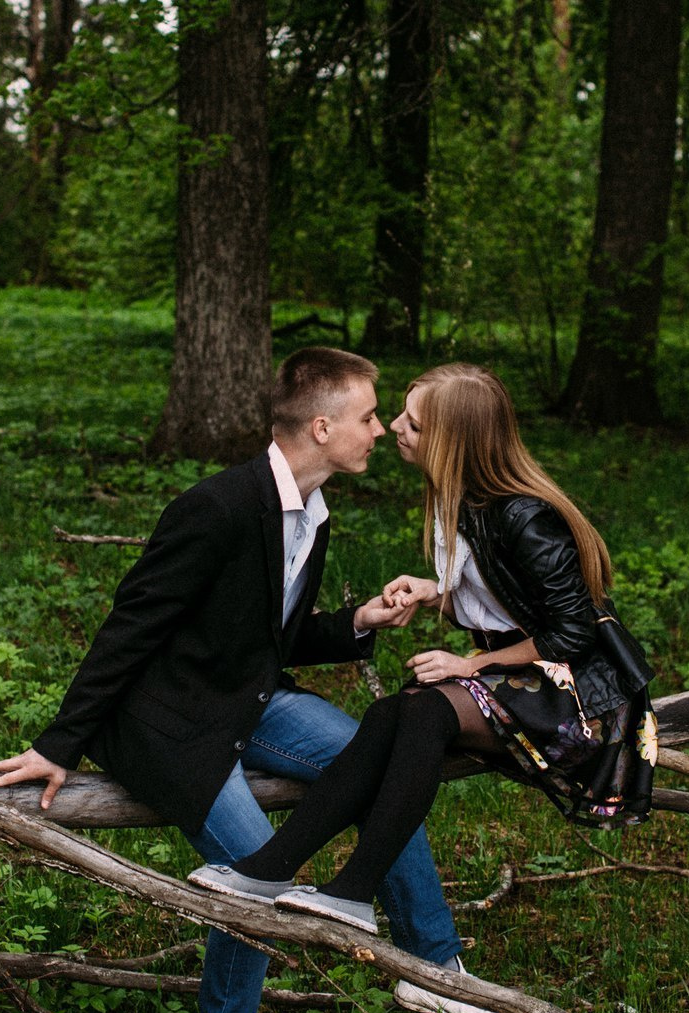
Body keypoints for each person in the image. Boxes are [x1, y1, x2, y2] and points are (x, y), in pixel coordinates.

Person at [0, 347, 520, 1013]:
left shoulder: (313, 514)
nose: (381, 430)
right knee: (256, 874)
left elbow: (264, 636)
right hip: (170, 726)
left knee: (392, 752)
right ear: (324, 426)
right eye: (369, 417)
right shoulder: (218, 506)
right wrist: (56, 744)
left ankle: (436, 972)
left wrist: (355, 622)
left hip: (248, 699)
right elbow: (131, 628)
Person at [190, 362, 656, 934]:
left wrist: (473, 664)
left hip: (584, 697)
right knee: (394, 710)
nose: (392, 428)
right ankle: (281, 872)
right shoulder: (466, 502)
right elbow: (506, 599)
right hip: (534, 677)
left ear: (451, 440)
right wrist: (439, 593)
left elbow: (572, 636)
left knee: (423, 707)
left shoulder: (525, 517)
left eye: (412, 423)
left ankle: (344, 887)